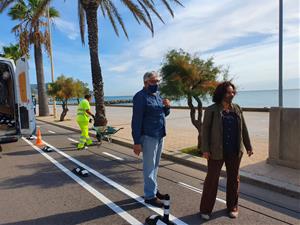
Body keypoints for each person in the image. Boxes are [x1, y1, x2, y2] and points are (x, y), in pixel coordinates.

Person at [199, 81, 253, 220]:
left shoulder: (237, 108)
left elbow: (244, 128)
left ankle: (233, 207)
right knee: (212, 180)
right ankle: (205, 209)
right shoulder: (212, 109)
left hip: (234, 150)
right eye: (229, 92)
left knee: (233, 180)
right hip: (216, 151)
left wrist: (248, 146)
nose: (232, 94)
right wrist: (205, 149)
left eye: (233, 92)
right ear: (222, 93)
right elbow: (205, 131)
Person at [131, 71, 171, 208]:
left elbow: (163, 114)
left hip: (160, 134)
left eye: (158, 81)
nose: (156, 84)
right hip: (148, 136)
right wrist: (136, 142)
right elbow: (136, 120)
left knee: (155, 165)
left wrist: (167, 106)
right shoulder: (140, 97)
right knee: (149, 166)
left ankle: (153, 189)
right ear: (146, 82)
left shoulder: (157, 95)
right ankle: (149, 196)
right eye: (154, 81)